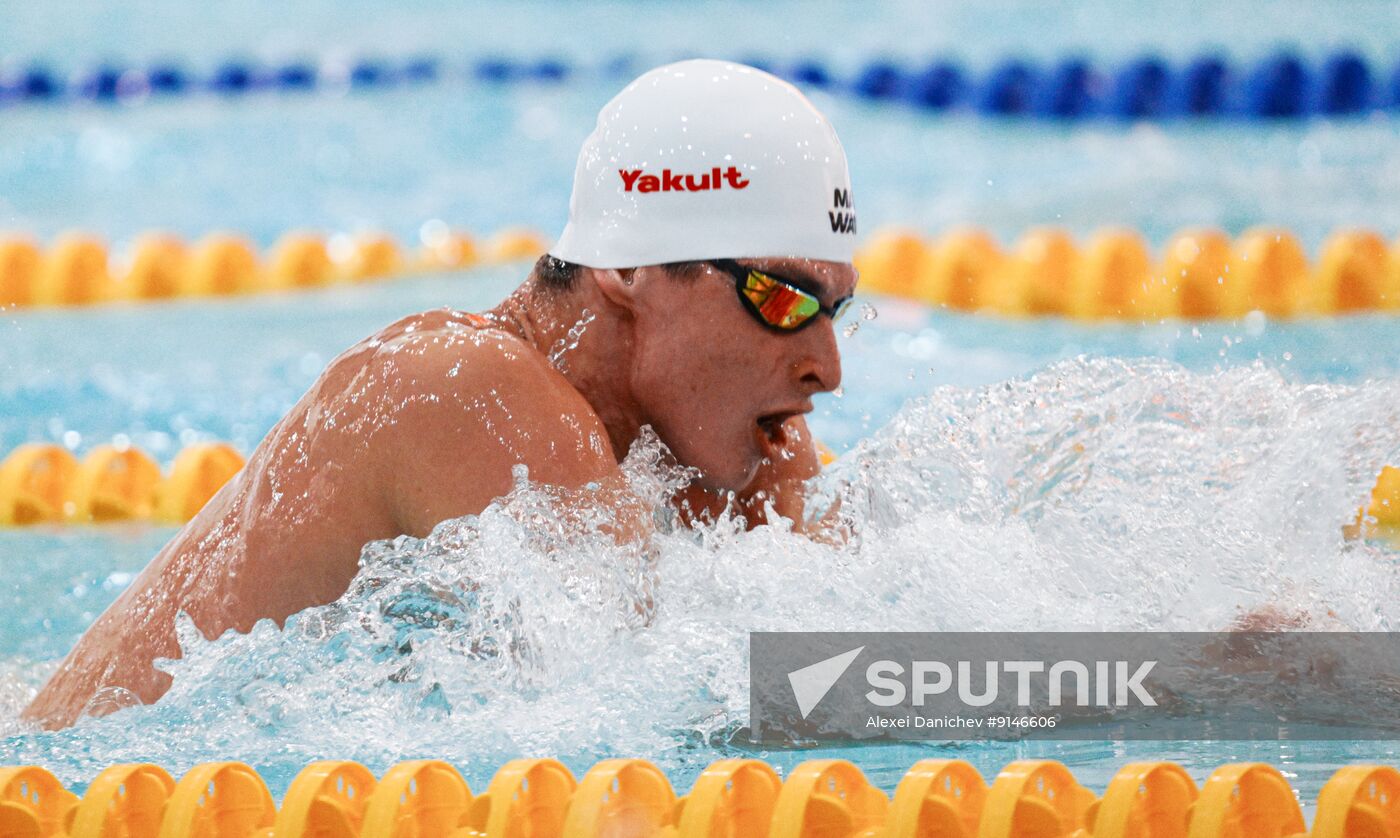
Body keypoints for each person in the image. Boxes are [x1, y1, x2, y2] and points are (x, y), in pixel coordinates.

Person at [23, 59, 860, 729]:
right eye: (782, 300)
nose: (826, 366)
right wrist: (940, 692)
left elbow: (824, 661)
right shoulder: (467, 390)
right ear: (628, 268)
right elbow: (643, 708)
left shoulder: (710, 439)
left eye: (834, 312)